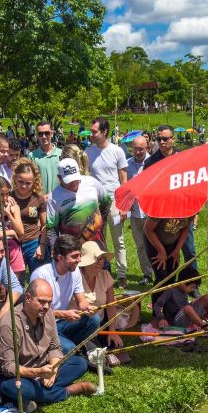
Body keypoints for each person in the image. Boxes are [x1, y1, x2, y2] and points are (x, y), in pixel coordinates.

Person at [0, 279, 95, 404]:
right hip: (13, 376)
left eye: (49, 302)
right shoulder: (9, 324)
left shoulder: (48, 313)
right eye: (41, 301)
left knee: (79, 363)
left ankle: (36, 394)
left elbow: (54, 347)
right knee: (17, 388)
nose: (46, 307)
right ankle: (68, 391)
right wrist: (37, 373)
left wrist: (54, 370)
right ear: (28, 298)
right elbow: (9, 367)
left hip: (41, 367)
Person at [30, 234, 100, 353]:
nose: (79, 260)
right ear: (60, 258)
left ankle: (68, 347)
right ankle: (68, 348)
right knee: (69, 348)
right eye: (74, 256)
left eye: (79, 255)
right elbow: (35, 312)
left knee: (94, 320)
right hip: (42, 326)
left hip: (62, 322)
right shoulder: (40, 275)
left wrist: (88, 308)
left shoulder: (75, 271)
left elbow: (82, 302)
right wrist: (63, 314)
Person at [144, 124, 198, 276]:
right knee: (164, 248)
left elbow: (192, 185)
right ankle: (166, 279)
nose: (162, 142)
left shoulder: (184, 159)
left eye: (165, 139)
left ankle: (191, 282)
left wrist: (194, 211)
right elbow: (146, 188)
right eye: (159, 139)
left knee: (189, 249)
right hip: (161, 213)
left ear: (173, 139)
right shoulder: (151, 162)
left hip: (182, 210)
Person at [86, 116, 128, 287]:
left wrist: (124, 206)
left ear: (104, 132)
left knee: (118, 240)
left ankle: (122, 275)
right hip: (96, 204)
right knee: (98, 239)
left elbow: (124, 181)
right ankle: (102, 271)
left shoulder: (117, 151)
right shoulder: (88, 152)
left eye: (94, 131)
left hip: (114, 202)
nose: (91, 134)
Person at [77, 241, 141, 347]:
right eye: (97, 259)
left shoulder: (105, 275)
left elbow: (111, 305)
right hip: (79, 325)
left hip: (100, 324)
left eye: (102, 258)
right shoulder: (75, 277)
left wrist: (112, 331)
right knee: (91, 349)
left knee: (113, 344)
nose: (101, 262)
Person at [46, 158, 111, 252]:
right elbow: (51, 228)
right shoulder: (54, 197)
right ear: (59, 178)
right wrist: (54, 248)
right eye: (68, 180)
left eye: (75, 178)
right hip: (72, 247)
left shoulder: (91, 182)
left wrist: (101, 221)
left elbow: (107, 202)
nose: (73, 183)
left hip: (97, 241)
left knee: (102, 261)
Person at [152, 266, 208, 332]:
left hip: (186, 315)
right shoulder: (170, 290)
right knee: (188, 308)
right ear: (182, 283)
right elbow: (157, 305)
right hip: (175, 320)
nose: (193, 290)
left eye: (195, 287)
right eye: (192, 287)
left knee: (206, 297)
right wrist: (161, 318)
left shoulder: (184, 289)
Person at [10, 157, 49, 274]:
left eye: (28, 183)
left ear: (34, 182)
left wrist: (42, 245)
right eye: (20, 181)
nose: (24, 186)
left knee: (38, 275)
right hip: (13, 243)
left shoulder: (38, 199)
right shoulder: (9, 197)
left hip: (33, 242)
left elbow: (45, 225)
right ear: (15, 178)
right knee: (16, 280)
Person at [126, 135, 153, 285]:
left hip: (151, 212)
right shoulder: (127, 164)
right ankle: (147, 274)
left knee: (155, 243)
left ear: (147, 148)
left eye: (141, 149)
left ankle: (159, 273)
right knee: (141, 245)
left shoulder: (153, 162)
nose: (138, 152)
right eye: (136, 149)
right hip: (135, 212)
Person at [143, 215, 194, 289]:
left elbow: (185, 229)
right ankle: (158, 296)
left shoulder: (191, 211)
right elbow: (147, 230)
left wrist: (177, 250)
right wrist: (161, 251)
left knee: (172, 273)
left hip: (172, 242)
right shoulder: (161, 209)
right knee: (161, 276)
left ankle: (169, 296)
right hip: (155, 241)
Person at [30, 120, 61, 196]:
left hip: (59, 199)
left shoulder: (61, 154)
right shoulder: (32, 156)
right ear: (37, 136)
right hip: (40, 199)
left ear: (52, 134)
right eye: (40, 134)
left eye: (47, 133)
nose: (44, 136)